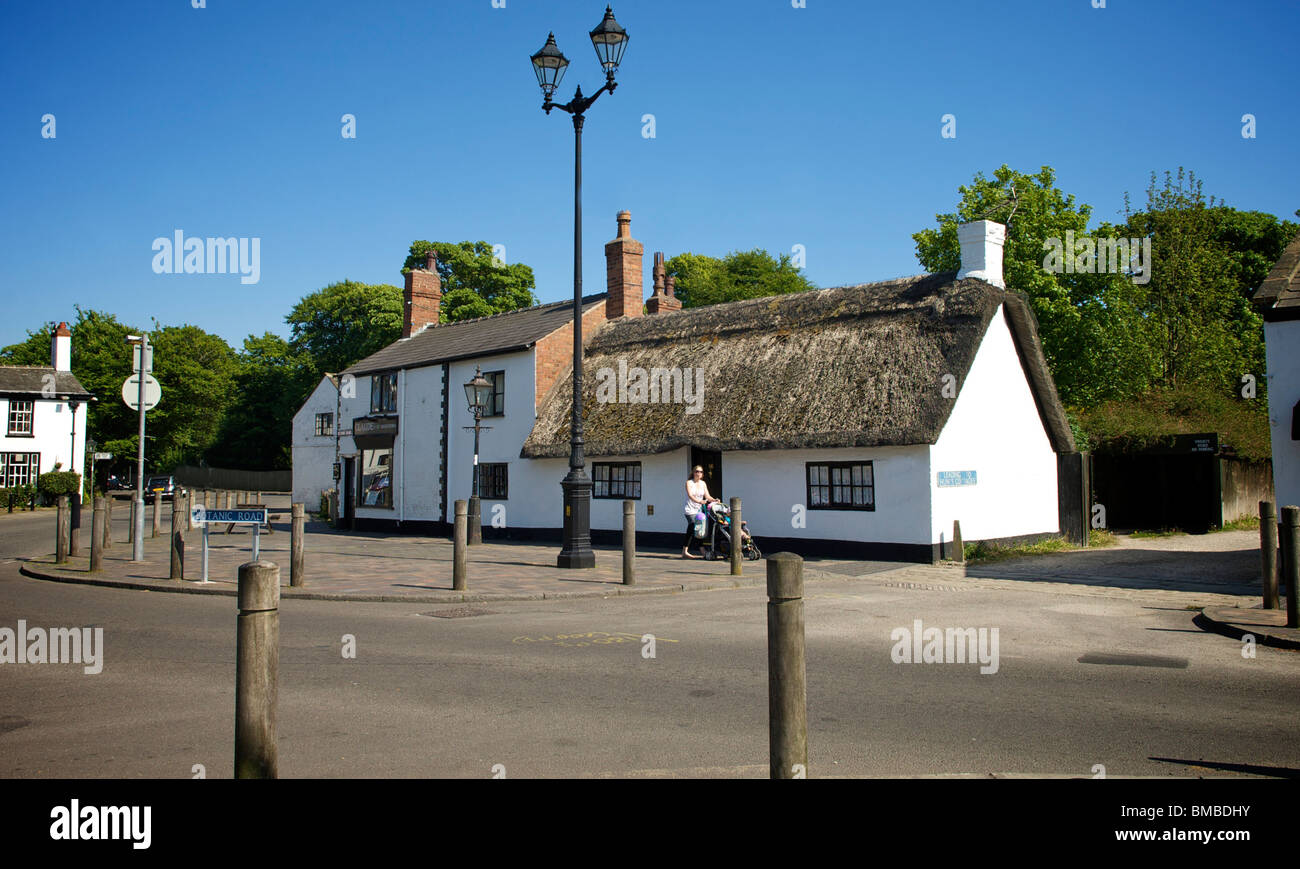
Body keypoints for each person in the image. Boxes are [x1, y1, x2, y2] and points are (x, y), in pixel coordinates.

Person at [683, 465, 718, 559]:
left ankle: (696, 550)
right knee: (693, 526)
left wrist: (714, 500)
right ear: (693, 472)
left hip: (699, 511)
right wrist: (699, 501)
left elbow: (707, 496)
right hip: (690, 510)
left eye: (701, 472)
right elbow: (690, 495)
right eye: (697, 471)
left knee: (698, 529)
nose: (699, 473)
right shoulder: (689, 483)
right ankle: (688, 551)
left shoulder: (703, 483)